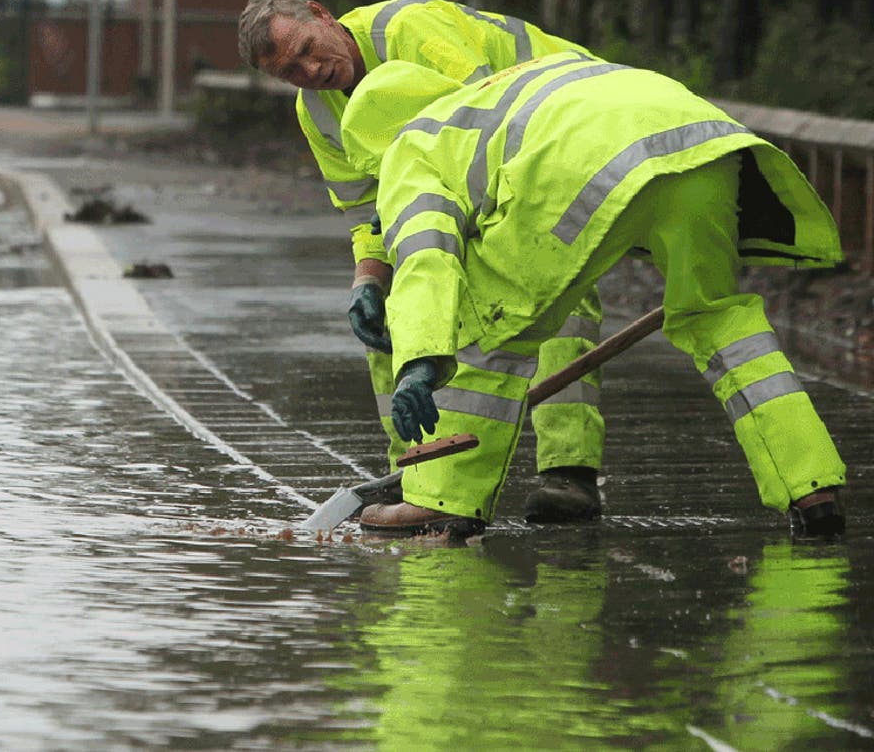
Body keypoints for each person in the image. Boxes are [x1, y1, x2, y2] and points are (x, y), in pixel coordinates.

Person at [338, 54, 847, 539]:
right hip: (703, 148)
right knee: (720, 322)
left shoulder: (413, 145)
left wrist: (421, 361)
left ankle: (441, 502)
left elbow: (429, 259)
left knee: (491, 326)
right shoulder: (499, 95)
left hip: (586, 167)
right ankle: (810, 484)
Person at [237, 0, 606, 523]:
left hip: (565, 130)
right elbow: (365, 213)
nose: (311, 70)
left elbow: (487, 120)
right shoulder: (316, 112)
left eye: (309, 49)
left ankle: (569, 474)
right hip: (460, 178)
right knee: (395, 309)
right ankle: (419, 472)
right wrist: (368, 282)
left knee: (548, 285)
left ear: (322, 15)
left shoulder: (411, 30)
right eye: (291, 71)